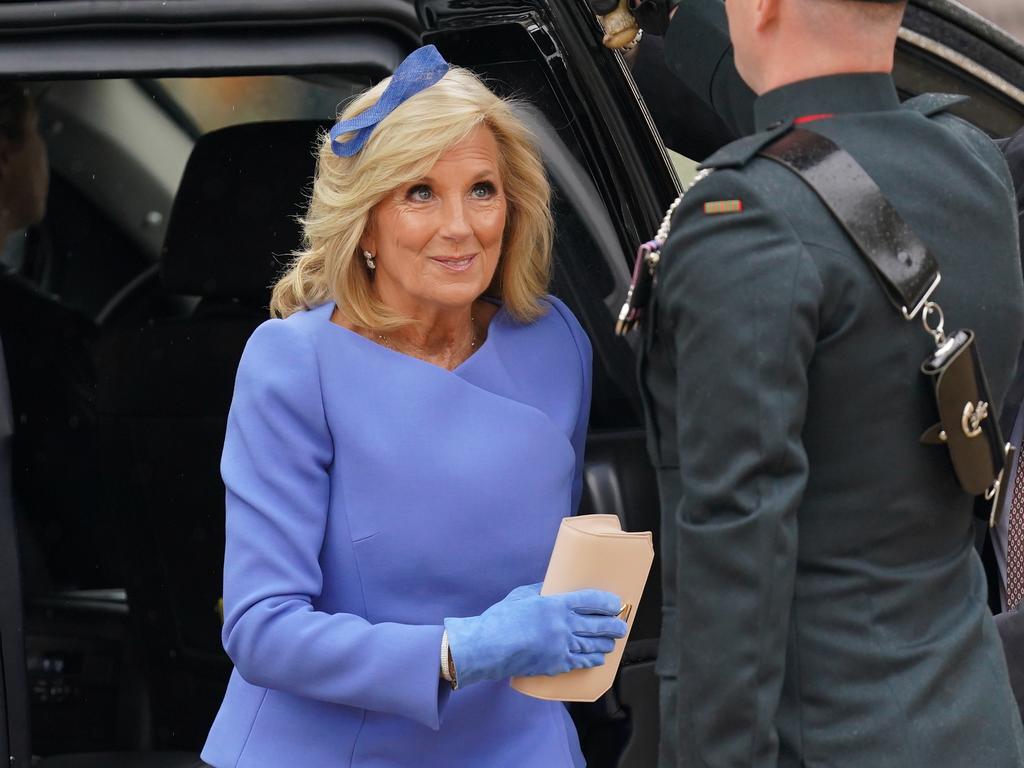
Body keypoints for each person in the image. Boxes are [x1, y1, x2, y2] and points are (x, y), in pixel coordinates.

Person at [199, 45, 628, 768]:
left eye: (482, 190)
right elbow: (261, 627)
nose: (461, 227)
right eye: (419, 193)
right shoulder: (294, 364)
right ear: (366, 222)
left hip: (519, 747)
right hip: (332, 751)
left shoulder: (553, 339)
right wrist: (460, 649)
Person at [636, 1, 1024, 766]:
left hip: (818, 741)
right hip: (971, 720)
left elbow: (734, 563)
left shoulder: (745, 220)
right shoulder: (973, 165)